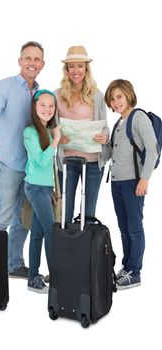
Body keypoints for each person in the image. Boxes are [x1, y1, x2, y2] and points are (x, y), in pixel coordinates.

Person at [0, 41, 45, 278]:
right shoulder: (4, 86)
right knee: (1, 220)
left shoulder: (41, 93)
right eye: (28, 58)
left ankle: (14, 264)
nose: (32, 63)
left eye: (37, 59)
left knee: (23, 218)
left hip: (32, 169)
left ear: (42, 65)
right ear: (20, 61)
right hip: (8, 164)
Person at [104, 79, 158, 289]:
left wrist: (144, 178)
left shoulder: (138, 117)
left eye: (119, 97)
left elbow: (152, 150)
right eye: (112, 99)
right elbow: (110, 154)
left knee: (134, 228)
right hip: (117, 183)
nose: (116, 102)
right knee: (124, 227)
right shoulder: (119, 123)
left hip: (133, 182)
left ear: (128, 94)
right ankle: (127, 267)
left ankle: (134, 272)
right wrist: (101, 142)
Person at [55, 45, 109, 223]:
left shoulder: (97, 95)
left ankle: (85, 251)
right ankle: (65, 250)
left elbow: (105, 127)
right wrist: (57, 138)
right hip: (67, 162)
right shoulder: (57, 95)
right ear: (66, 69)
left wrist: (104, 136)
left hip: (93, 163)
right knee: (64, 215)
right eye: (71, 66)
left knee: (88, 216)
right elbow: (49, 128)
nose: (76, 70)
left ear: (86, 68)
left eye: (80, 66)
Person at [23, 90, 61, 293]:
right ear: (35, 107)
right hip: (34, 188)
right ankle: (56, 276)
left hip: (45, 189)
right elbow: (41, 160)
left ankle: (33, 278)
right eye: (43, 105)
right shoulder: (30, 132)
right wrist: (56, 140)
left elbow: (49, 168)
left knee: (37, 234)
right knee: (50, 231)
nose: (47, 109)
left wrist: (52, 190)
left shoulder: (48, 131)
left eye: (51, 106)